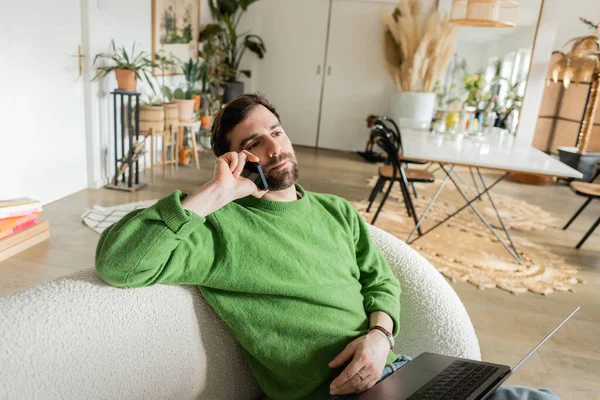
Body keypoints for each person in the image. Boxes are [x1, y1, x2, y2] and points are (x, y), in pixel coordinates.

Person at [95, 93, 560, 400]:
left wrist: (380, 337)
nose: (274, 147)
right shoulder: (219, 228)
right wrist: (213, 195)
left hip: (397, 370)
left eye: (276, 131)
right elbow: (121, 263)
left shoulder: (336, 211)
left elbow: (381, 280)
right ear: (234, 161)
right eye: (253, 143)